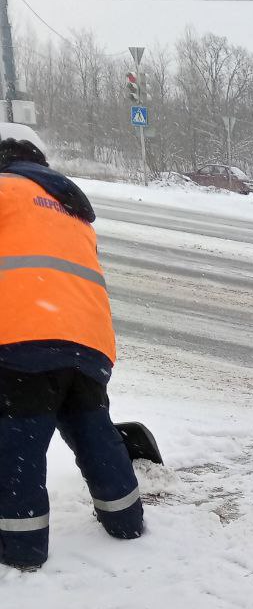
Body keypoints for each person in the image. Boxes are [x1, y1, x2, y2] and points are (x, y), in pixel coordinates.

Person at [0, 138, 144, 569]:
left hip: (24, 336)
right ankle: (126, 521)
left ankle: (20, 550)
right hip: (89, 342)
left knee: (18, 444)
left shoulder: (5, 189)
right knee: (91, 429)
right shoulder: (73, 211)